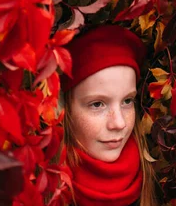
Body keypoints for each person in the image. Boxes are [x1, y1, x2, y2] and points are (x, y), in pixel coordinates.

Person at [60, 25, 157, 206]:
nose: (119, 123)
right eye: (97, 104)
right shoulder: (44, 188)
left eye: (127, 101)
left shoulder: (153, 177)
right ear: (64, 111)